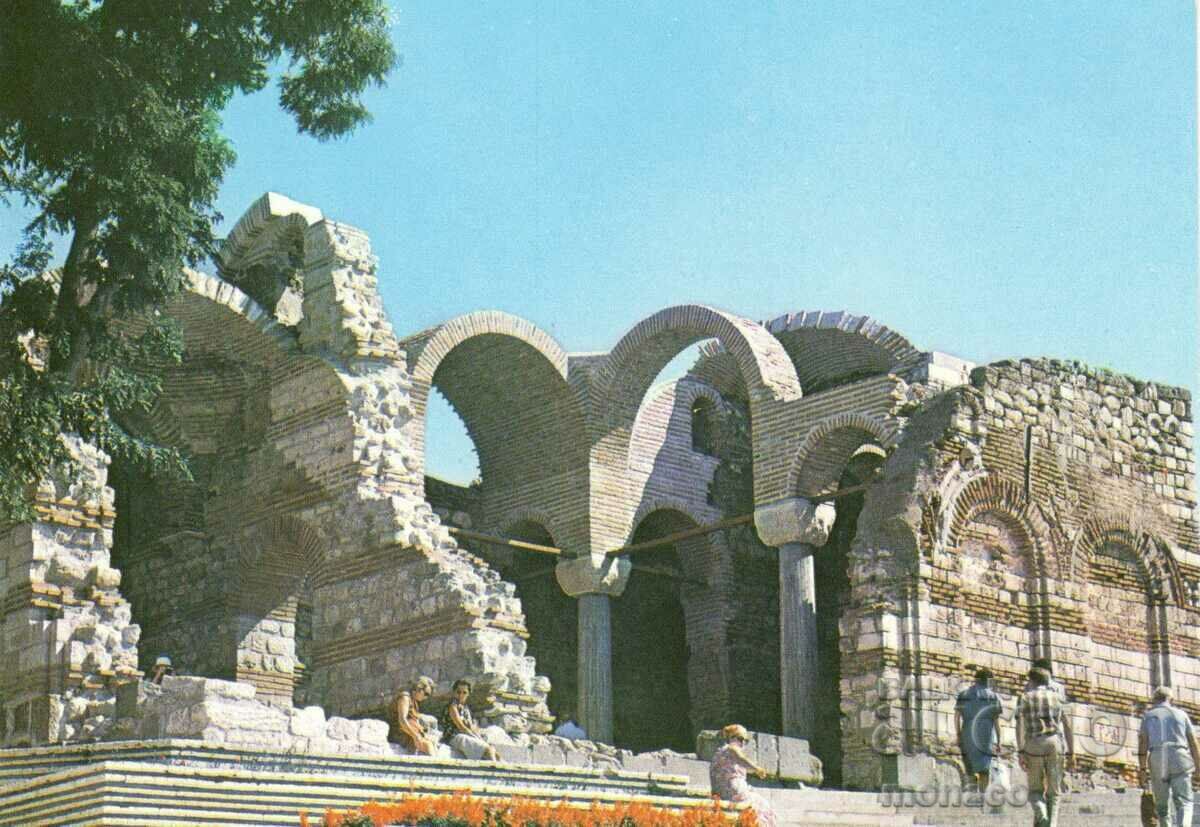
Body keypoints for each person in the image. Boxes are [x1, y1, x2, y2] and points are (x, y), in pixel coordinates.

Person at [1016, 667, 1074, 827]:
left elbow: (1020, 724)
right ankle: (1052, 824)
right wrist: (1071, 752)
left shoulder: (1024, 698)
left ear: (1031, 680)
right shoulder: (1057, 698)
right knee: (1054, 792)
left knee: (1035, 789)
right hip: (1054, 743)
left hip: (1033, 743)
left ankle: (1041, 813)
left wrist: (1021, 750)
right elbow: (1068, 726)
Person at [1138, 686, 1200, 827]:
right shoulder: (1181, 714)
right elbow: (1193, 743)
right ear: (1170, 699)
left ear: (1154, 700)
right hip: (1179, 756)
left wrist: (1142, 770)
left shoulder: (1148, 716)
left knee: (1161, 806)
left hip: (1157, 757)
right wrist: (1198, 767)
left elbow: (1143, 743)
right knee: (1184, 801)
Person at [709, 724, 777, 827]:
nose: (743, 743)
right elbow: (741, 758)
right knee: (763, 806)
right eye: (740, 738)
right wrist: (757, 769)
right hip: (732, 790)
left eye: (746, 740)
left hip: (719, 791)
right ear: (731, 738)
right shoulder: (731, 748)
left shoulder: (719, 752)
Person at [956, 667, 1002, 792]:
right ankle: (983, 794)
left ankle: (971, 793)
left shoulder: (964, 694)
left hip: (968, 731)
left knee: (969, 764)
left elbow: (957, 716)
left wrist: (958, 734)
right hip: (985, 732)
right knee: (984, 767)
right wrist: (999, 740)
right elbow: (996, 720)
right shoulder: (993, 696)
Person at [440, 679, 499, 761]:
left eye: (464, 692)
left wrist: (479, 738)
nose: (461, 695)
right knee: (488, 750)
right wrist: (475, 737)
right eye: (458, 692)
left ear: (468, 694)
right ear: (454, 692)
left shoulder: (466, 708)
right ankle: (494, 770)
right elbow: (461, 726)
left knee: (494, 751)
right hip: (453, 737)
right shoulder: (452, 706)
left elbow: (472, 727)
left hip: (465, 735)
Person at [392, 675, 437, 755]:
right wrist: (415, 735)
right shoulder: (405, 698)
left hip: (409, 731)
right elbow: (402, 719)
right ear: (419, 689)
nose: (426, 697)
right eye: (426, 694)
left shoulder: (413, 701)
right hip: (400, 732)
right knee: (428, 745)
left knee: (432, 742)